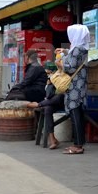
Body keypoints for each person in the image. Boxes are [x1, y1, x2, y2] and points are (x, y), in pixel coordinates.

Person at [56, 24, 89, 155]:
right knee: (78, 114)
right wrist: (64, 52)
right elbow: (73, 58)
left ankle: (78, 145)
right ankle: (79, 143)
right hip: (80, 85)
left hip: (75, 86)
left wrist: (60, 63)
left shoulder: (77, 49)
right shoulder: (82, 48)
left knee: (75, 114)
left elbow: (70, 68)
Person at [27, 61, 65, 149]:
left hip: (62, 103)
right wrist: (49, 85)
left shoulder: (61, 77)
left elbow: (58, 95)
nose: (48, 74)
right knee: (48, 109)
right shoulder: (48, 80)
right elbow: (48, 96)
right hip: (50, 103)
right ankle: (52, 139)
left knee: (58, 96)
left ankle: (38, 105)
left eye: (49, 72)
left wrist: (52, 83)